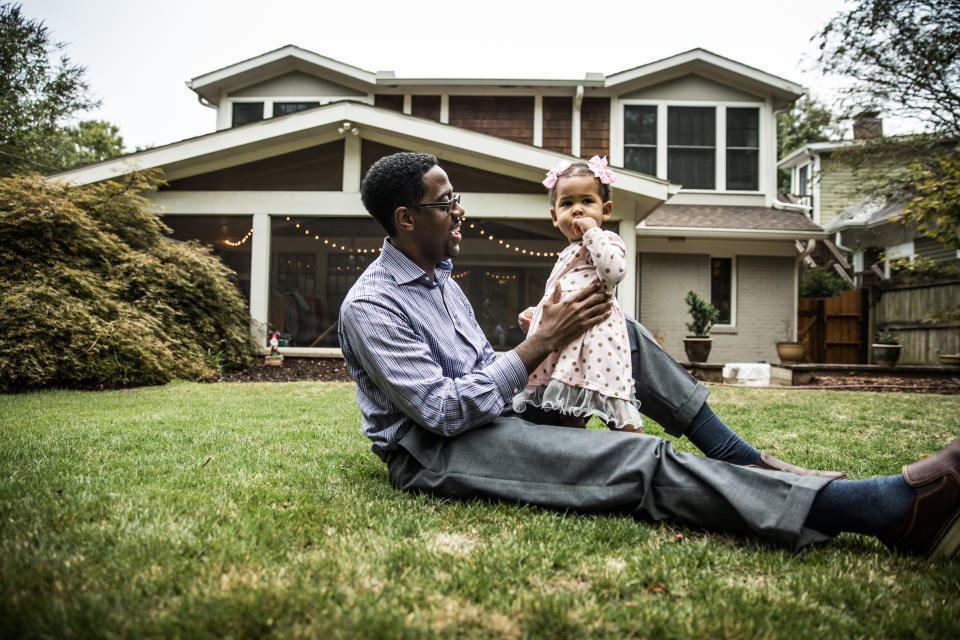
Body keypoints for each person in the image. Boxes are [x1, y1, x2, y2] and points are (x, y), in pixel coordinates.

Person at [338, 151, 960, 558]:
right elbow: (440, 412)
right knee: (637, 458)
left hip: (491, 414)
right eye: (446, 202)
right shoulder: (371, 306)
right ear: (406, 218)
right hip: (435, 452)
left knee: (616, 330)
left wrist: (548, 336)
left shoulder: (440, 280)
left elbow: (477, 376)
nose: (458, 210)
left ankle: (748, 461)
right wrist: (536, 345)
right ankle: (886, 510)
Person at [513, 156, 641, 432]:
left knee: (614, 405)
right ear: (554, 215)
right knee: (568, 412)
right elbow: (563, 290)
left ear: (605, 210)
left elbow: (614, 272)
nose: (578, 211)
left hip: (598, 342)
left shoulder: (607, 241)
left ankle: (645, 455)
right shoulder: (566, 253)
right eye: (567, 204)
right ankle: (578, 458)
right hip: (570, 348)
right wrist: (539, 314)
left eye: (587, 202)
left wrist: (593, 233)